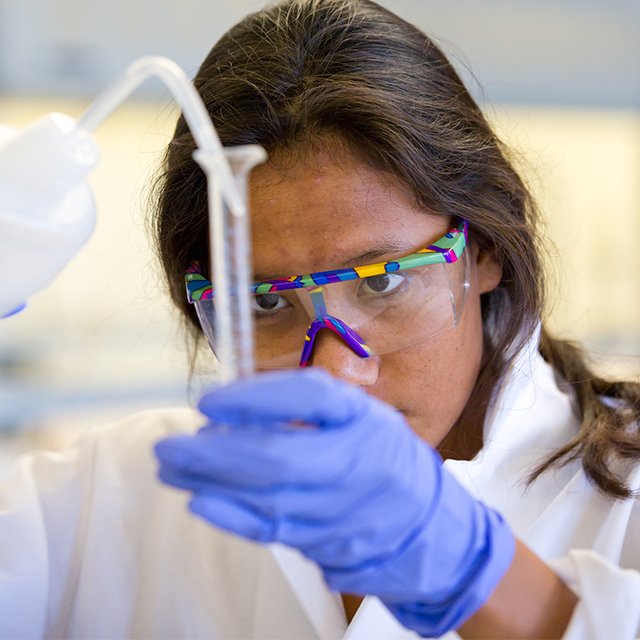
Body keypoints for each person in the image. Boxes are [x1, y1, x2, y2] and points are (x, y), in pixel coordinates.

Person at [1, 0, 639, 638]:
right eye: (265, 302)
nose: (335, 372)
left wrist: (477, 576)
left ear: (485, 249)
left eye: (384, 281)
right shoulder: (112, 497)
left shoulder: (627, 496)